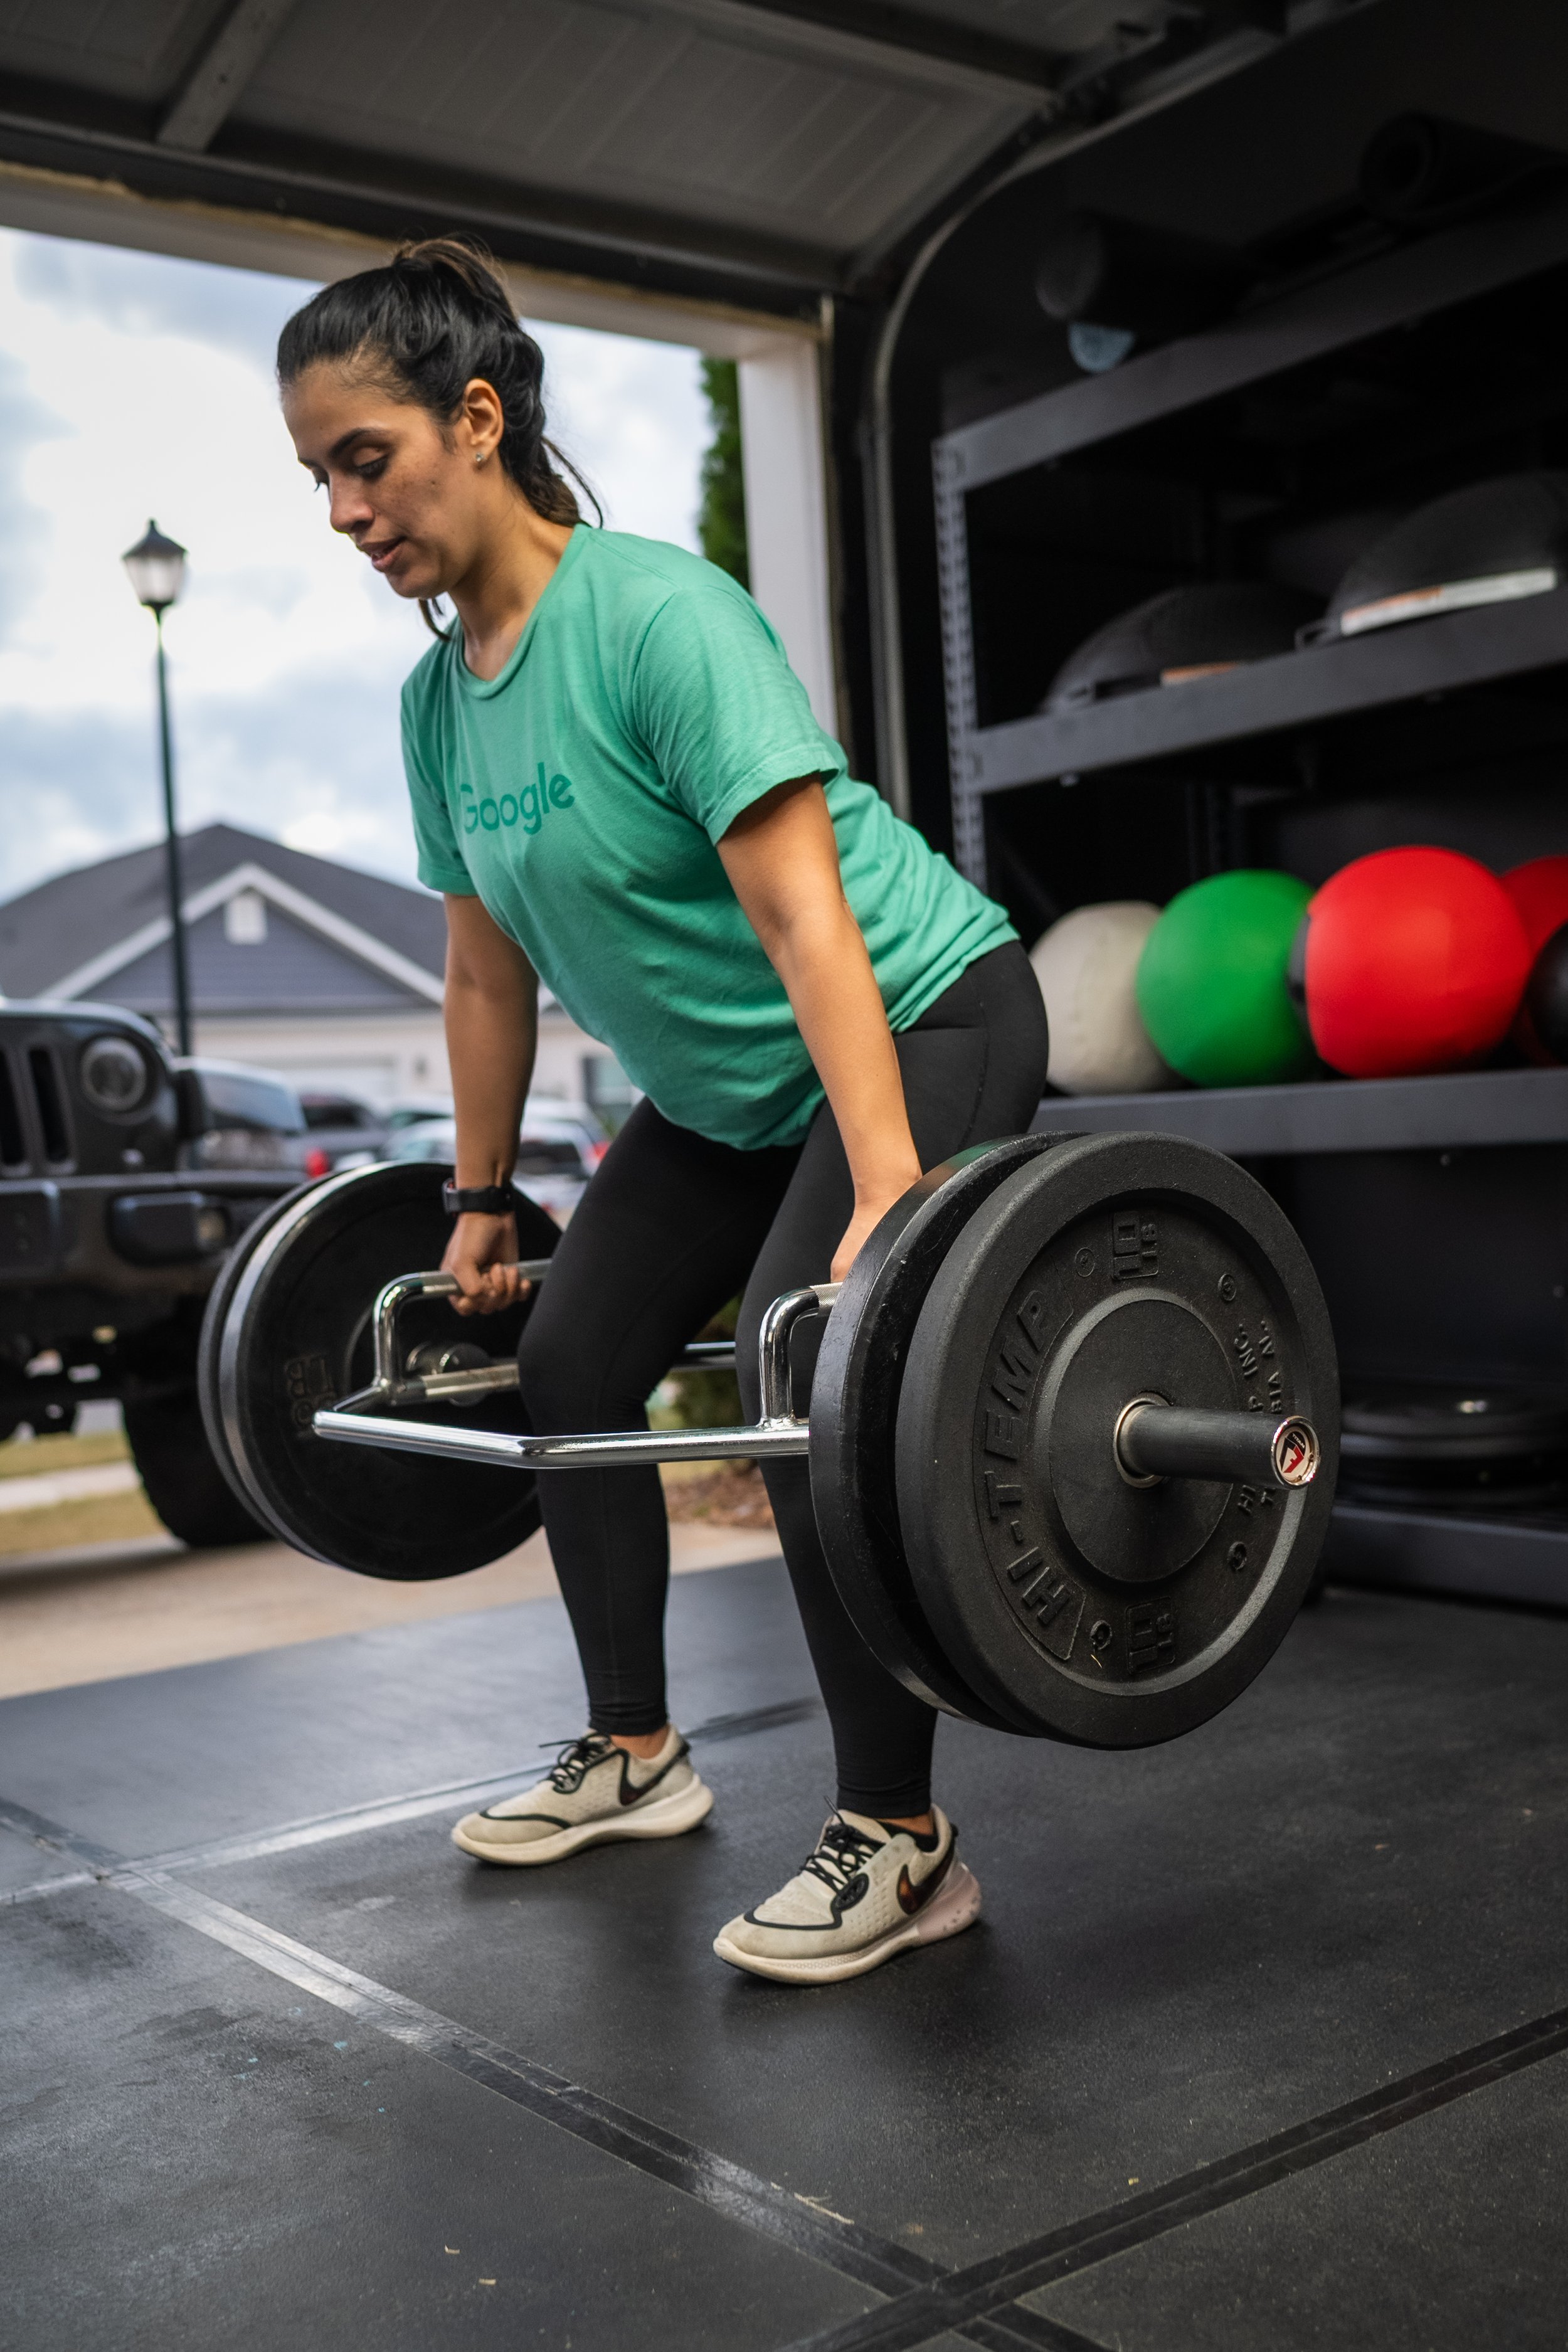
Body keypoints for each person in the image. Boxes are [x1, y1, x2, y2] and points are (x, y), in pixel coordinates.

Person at [278, 238, 1050, 1986]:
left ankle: (901, 1841)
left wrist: (884, 1193)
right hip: (722, 1089)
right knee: (565, 1366)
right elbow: (484, 975)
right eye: (318, 474)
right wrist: (480, 1201)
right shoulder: (433, 706)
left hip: (919, 1011)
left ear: (473, 422)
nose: (340, 511)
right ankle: (633, 1753)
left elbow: (804, 918)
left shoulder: (658, 618)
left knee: (806, 1390)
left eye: (363, 459)